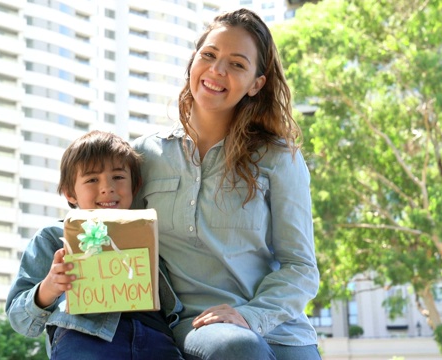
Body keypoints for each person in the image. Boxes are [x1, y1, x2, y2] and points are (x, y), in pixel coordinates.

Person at [131, 8, 320, 360]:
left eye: (237, 64)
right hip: (202, 328)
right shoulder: (144, 156)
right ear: (192, 62)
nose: (217, 71)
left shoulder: (279, 158)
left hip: (280, 331)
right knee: (238, 347)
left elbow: (301, 268)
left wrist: (249, 316)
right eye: (209, 55)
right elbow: (114, 239)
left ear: (256, 84)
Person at [6, 130, 184, 360]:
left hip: (157, 341)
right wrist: (49, 288)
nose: (107, 187)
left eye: (118, 177)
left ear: (135, 184)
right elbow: (18, 318)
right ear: (70, 193)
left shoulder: (151, 232)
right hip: (86, 336)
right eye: (92, 179)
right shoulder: (52, 237)